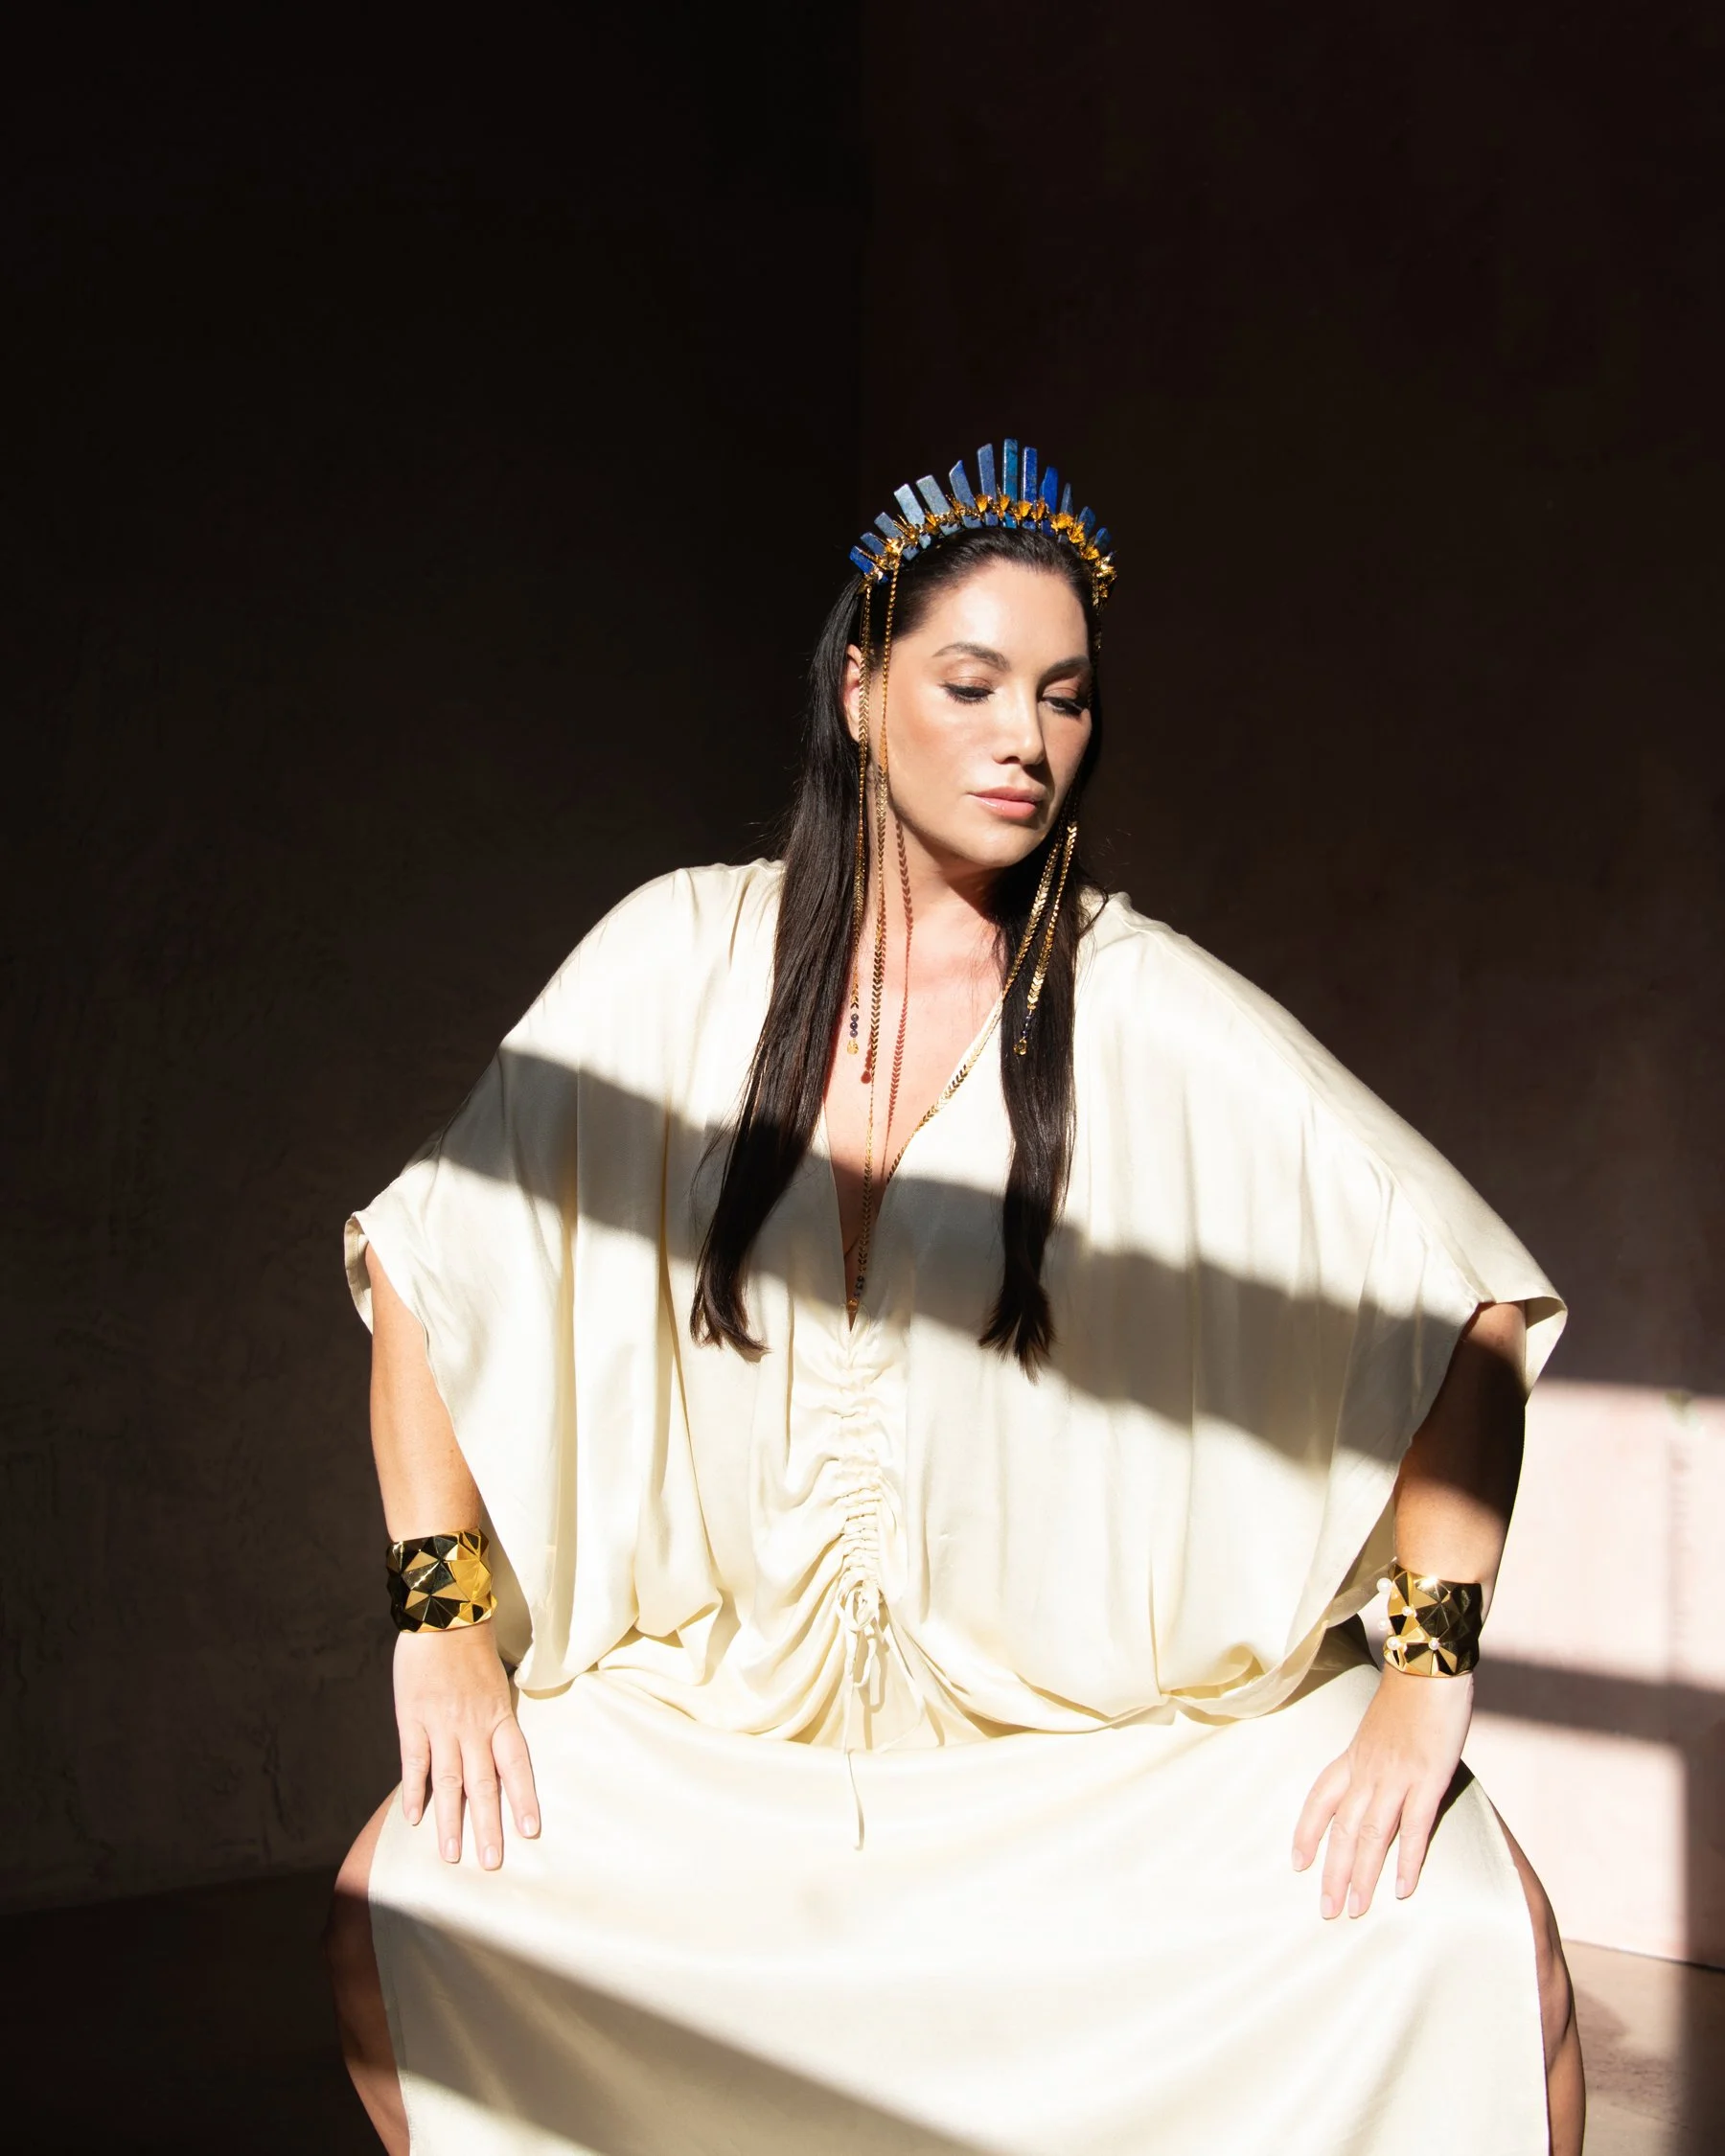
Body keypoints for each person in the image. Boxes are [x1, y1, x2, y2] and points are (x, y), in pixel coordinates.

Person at [324, 441, 1584, 2155]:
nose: (1024, 739)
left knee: (1473, 1942)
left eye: (1064, 699)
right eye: (971, 681)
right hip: (727, 1740)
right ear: (861, 690)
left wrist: (1426, 1678)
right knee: (399, 1905)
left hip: (1084, 1769)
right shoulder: (677, 956)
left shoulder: (1140, 1007)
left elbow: (1470, 1319)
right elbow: (426, 1261)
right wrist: (443, 1616)